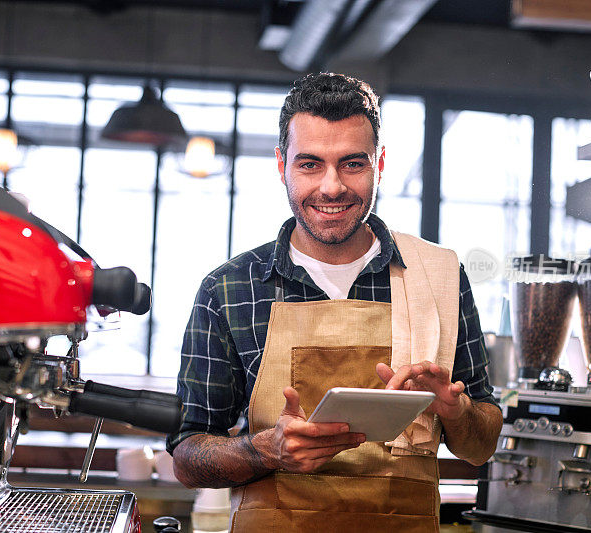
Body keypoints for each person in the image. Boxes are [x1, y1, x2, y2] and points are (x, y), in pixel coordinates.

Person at [167, 72, 503, 532]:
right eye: (309, 165)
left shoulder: (439, 277)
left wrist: (455, 411)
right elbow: (187, 459)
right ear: (281, 164)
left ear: (379, 164)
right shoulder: (228, 290)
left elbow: (481, 445)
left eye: (352, 164)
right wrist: (262, 449)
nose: (331, 187)